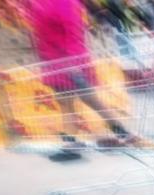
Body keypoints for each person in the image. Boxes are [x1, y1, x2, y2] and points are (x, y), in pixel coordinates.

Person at [27, 0, 135, 161]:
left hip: (70, 61)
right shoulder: (38, 3)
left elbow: (73, 31)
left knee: (89, 98)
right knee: (65, 102)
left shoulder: (65, 3)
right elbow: (39, 32)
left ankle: (122, 132)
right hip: (53, 61)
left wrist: (73, 61)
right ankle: (72, 144)